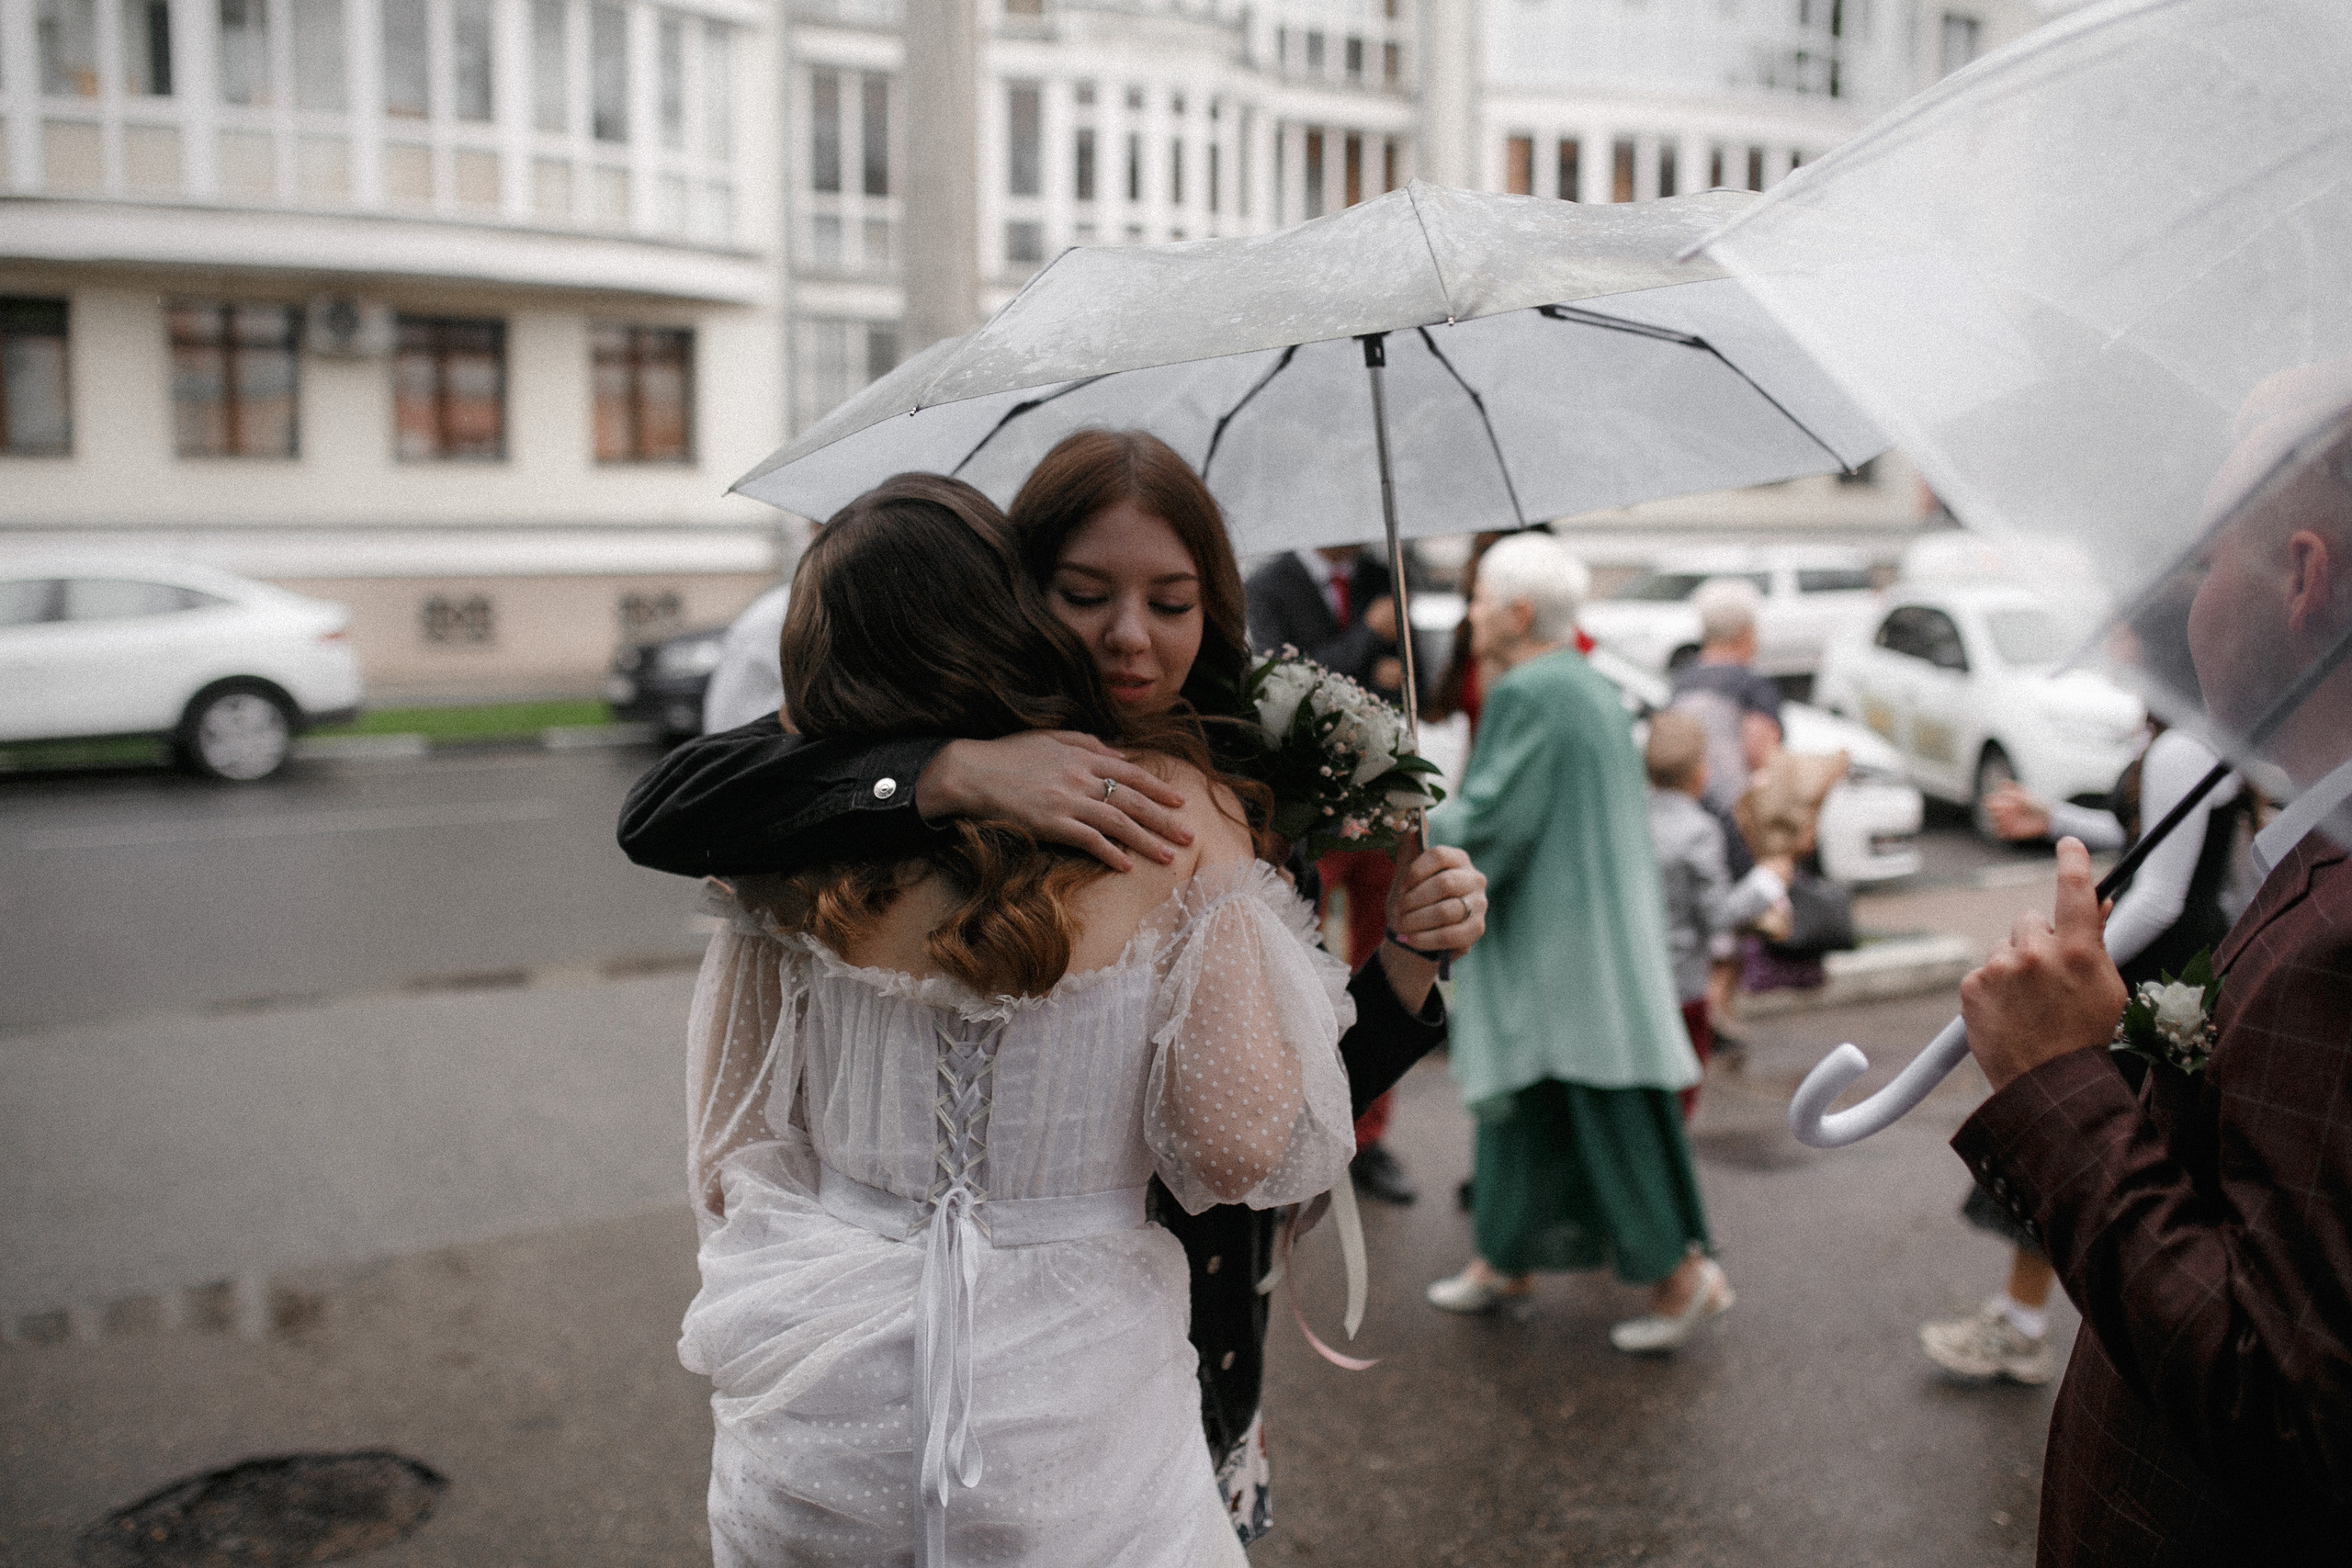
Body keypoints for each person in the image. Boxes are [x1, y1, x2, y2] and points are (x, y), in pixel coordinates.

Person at [621, 427, 1487, 1545]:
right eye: (1085, 593)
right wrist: (944, 771)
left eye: (1172, 604)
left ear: (1212, 610)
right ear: (1014, 595)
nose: (1131, 636)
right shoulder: (881, 760)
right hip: (1065, 1357)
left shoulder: (1242, 778)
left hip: (1181, 1323)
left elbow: (1277, 1113)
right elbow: (673, 805)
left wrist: (1409, 964)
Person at [1952, 397, 2352, 1564]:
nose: (2188, 601)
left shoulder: (2341, 938)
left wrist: (2058, 1081)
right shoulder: (2314, 859)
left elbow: (2292, 1412)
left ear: (2299, 577)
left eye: (2203, 561)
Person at [1422, 533, 1733, 1353]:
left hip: (1562, 943)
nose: (1472, 614)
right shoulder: (1585, 684)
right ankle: (1504, 1259)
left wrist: (1406, 806)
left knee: (1597, 1110)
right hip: (1589, 933)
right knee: (1536, 1106)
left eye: (1481, 599)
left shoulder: (1531, 692)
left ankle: (1678, 1277)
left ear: (1518, 613)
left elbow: (1490, 823)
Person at [1922, 703, 2251, 1386]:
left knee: (2075, 1122)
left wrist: (2075, 956)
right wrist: (2056, 818)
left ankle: (2031, 1327)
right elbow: (2144, 832)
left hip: (2162, 970)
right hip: (2164, 963)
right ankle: (2033, 1321)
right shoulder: (2182, 738)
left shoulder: (2185, 745)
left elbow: (2160, 893)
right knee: (2105, 1130)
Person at [1244, 543, 1416, 1204]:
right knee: (1298, 966)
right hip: (1306, 817)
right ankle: (1293, 1116)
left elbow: (1415, 678)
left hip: (1383, 804)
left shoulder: (1388, 573)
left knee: (1388, 956)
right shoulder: (1272, 583)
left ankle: (1367, 1131)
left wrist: (1391, 655)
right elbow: (1283, 695)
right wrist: (1365, 640)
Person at [1644, 710, 1794, 1121]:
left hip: (1637, 982)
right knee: (1682, 1088)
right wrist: (1767, 880)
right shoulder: (1699, 831)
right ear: (1700, 776)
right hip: (1683, 985)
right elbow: (1717, 915)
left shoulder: (1630, 823)